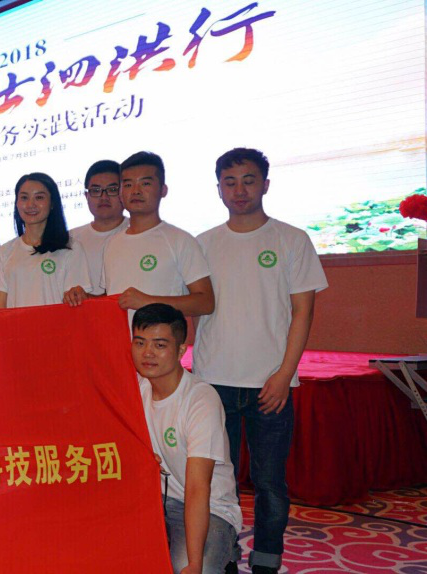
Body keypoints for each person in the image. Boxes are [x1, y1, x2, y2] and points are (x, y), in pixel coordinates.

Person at [193, 148, 328, 574]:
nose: (240, 190)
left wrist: (285, 375)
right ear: (218, 189)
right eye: (230, 182)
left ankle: (267, 560)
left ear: (265, 184)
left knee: (270, 483)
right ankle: (225, 556)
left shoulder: (291, 239)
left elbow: (303, 312)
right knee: (219, 481)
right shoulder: (202, 243)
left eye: (249, 180)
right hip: (212, 382)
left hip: (271, 385)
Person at [132, 303, 242, 574]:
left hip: (207, 507)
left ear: (181, 350)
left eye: (160, 345)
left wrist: (194, 564)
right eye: (140, 343)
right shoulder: (135, 388)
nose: (147, 353)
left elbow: (197, 489)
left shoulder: (200, 400)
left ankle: (224, 551)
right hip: (152, 500)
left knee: (192, 568)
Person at [102, 151, 214, 317]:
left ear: (163, 190)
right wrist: (82, 298)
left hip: (161, 334)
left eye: (145, 183)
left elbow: (206, 303)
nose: (136, 191)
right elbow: (111, 300)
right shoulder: (112, 243)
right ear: (120, 193)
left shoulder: (180, 240)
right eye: (128, 185)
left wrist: (147, 301)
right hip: (118, 335)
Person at [0, 173, 91, 308]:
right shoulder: (4, 252)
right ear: (17, 203)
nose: (30, 204)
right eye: (24, 197)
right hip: (16, 323)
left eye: (39, 197)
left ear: (52, 203)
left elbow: (75, 304)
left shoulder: (71, 247)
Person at [70, 160, 129, 296]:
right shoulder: (69, 239)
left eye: (112, 190)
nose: (104, 197)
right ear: (86, 196)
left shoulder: (138, 232)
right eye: (96, 191)